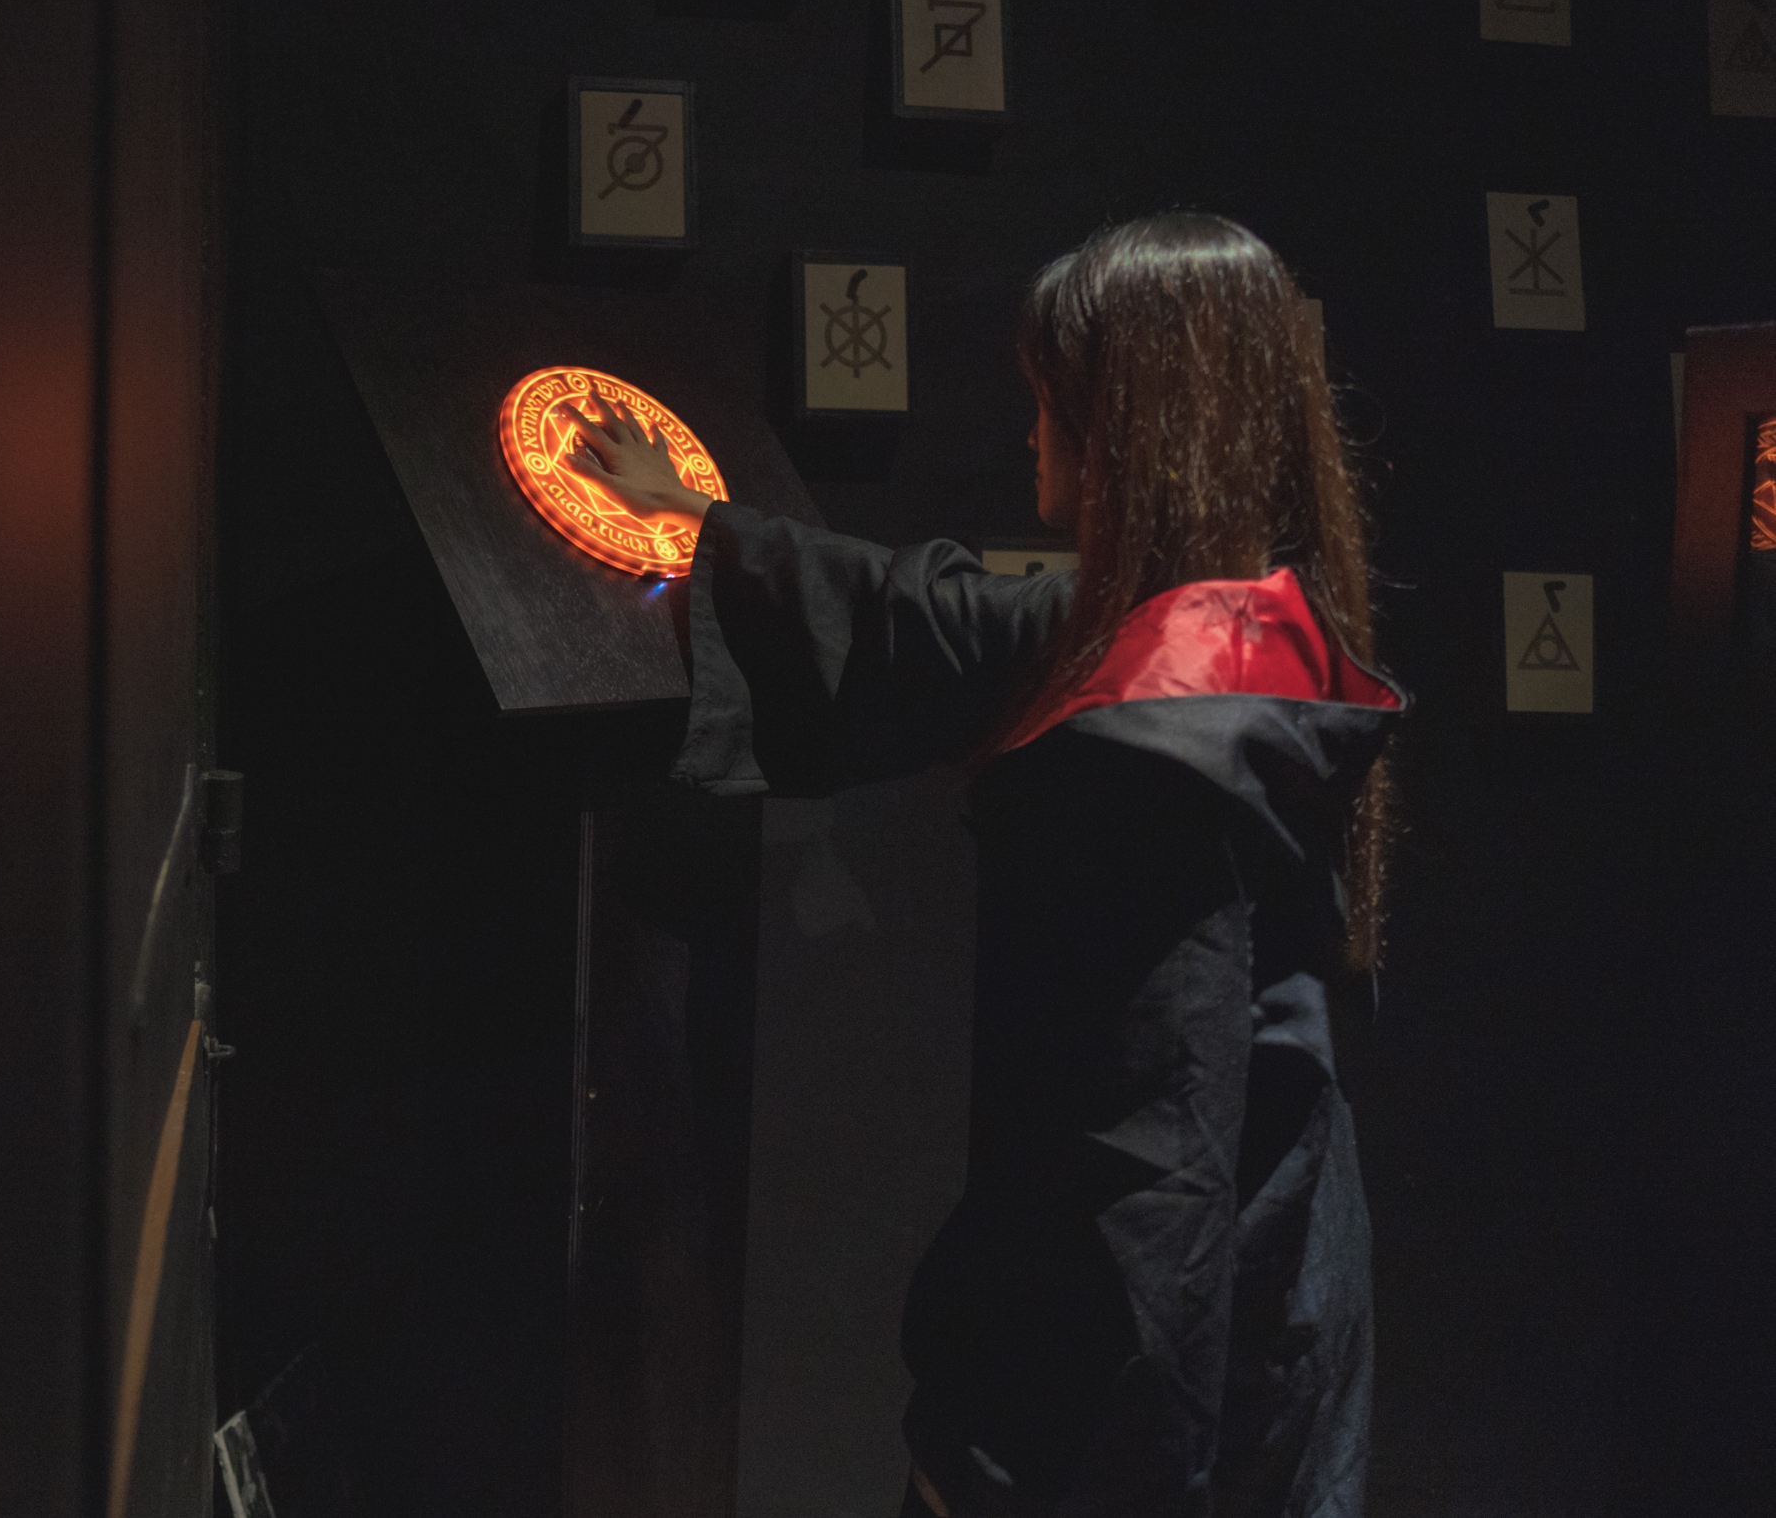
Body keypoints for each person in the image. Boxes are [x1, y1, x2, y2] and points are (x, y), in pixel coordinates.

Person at [564, 213, 1404, 1518]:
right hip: (1278, 1300)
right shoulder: (1240, 637)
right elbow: (933, 617)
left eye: (1049, 401)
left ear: (1128, 426)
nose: (1028, 436)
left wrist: (1004, 1462)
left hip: (1152, 1383)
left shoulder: (1152, 756)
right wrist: (697, 523)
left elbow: (1153, 1176)